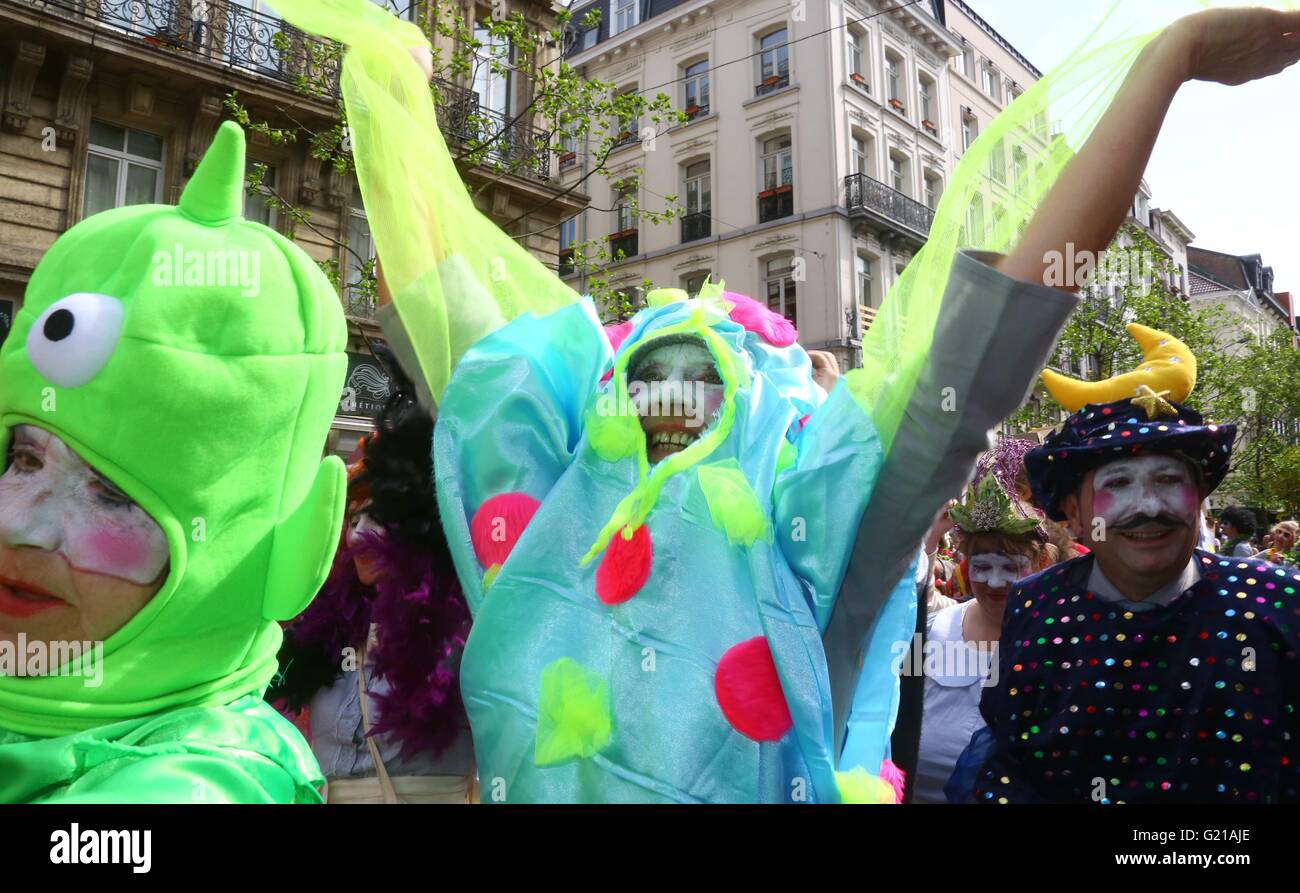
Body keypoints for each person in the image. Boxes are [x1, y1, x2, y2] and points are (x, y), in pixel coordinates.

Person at [269, 0, 1300, 803]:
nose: (672, 417)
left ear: (771, 425)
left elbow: (1004, 318)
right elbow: (439, 303)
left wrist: (1163, 64)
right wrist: (389, 94)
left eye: (710, 386)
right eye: (649, 385)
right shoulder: (534, 521)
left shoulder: (818, 545)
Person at [0, 122, 347, 802]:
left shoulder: (204, 781)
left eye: (113, 493)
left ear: (274, 548)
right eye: (23, 457)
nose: (18, 523)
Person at [974, 330, 1299, 803]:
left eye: (1169, 479)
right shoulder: (1035, 603)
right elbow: (1011, 760)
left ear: (1200, 500)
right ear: (1076, 514)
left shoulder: (1280, 600)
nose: (1148, 505)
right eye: (1119, 483)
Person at [269, 369, 475, 804]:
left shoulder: (465, 622)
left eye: (378, 517)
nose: (357, 535)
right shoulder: (327, 625)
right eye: (353, 518)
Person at [914, 466, 1051, 804]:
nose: (994, 583)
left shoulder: (1062, 640)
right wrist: (931, 536)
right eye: (982, 566)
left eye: (1010, 567)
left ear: (1041, 561)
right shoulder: (935, 629)